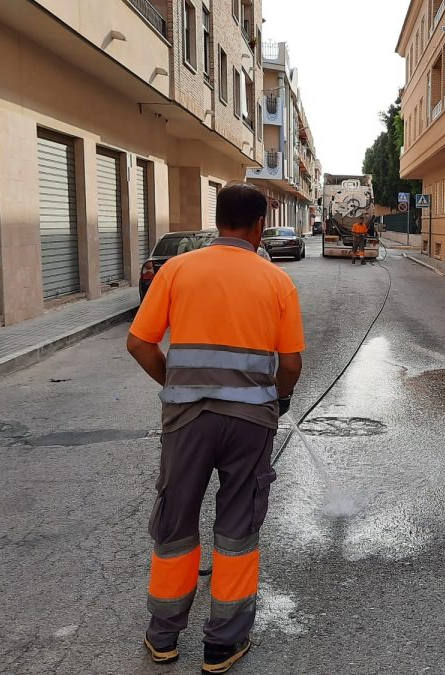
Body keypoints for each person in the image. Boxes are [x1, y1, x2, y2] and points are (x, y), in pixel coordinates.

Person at [127, 183, 304, 673]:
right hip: (250, 423)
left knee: (176, 523)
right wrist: (280, 398)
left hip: (187, 421)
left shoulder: (177, 270)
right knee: (237, 528)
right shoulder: (275, 281)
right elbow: (290, 362)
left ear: (218, 220)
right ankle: (223, 644)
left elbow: (139, 343)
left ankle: (163, 636)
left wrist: (177, 383)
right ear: (258, 225)